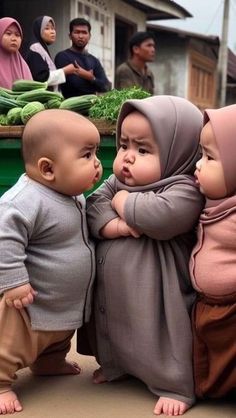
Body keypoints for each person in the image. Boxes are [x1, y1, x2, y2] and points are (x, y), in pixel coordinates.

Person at [81, 95, 205, 416]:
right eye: (124, 145)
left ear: (179, 150)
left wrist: (122, 203)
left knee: (160, 330)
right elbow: (93, 206)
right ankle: (118, 365)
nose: (128, 158)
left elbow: (161, 217)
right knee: (119, 323)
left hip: (159, 292)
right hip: (116, 289)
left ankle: (175, 385)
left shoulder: (184, 187)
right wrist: (117, 228)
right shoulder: (116, 181)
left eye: (143, 149)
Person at [0, 109, 102, 414]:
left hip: (61, 302)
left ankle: (50, 361)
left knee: (58, 336)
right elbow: (5, 239)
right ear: (48, 169)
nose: (97, 163)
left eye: (96, 153)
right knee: (11, 344)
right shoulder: (24, 201)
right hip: (29, 303)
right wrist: (14, 281)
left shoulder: (73, 194)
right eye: (86, 155)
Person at [190, 105, 236, 399]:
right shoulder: (209, 200)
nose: (197, 164)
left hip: (232, 309)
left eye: (209, 157)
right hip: (208, 307)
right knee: (212, 363)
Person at [55, 17, 110, 98]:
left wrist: (90, 77)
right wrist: (95, 83)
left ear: (89, 36)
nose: (80, 36)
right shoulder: (62, 56)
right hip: (70, 107)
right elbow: (75, 85)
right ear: (70, 36)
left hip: (92, 107)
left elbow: (106, 87)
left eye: (84, 32)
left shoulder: (94, 60)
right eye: (76, 32)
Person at [26, 15, 78, 92]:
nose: (52, 32)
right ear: (38, 30)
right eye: (47, 28)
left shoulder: (41, 48)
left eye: (53, 28)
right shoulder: (35, 48)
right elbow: (41, 79)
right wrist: (65, 71)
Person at [0, 17, 32, 89]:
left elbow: (31, 93)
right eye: (8, 33)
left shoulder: (23, 66)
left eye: (17, 35)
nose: (14, 38)